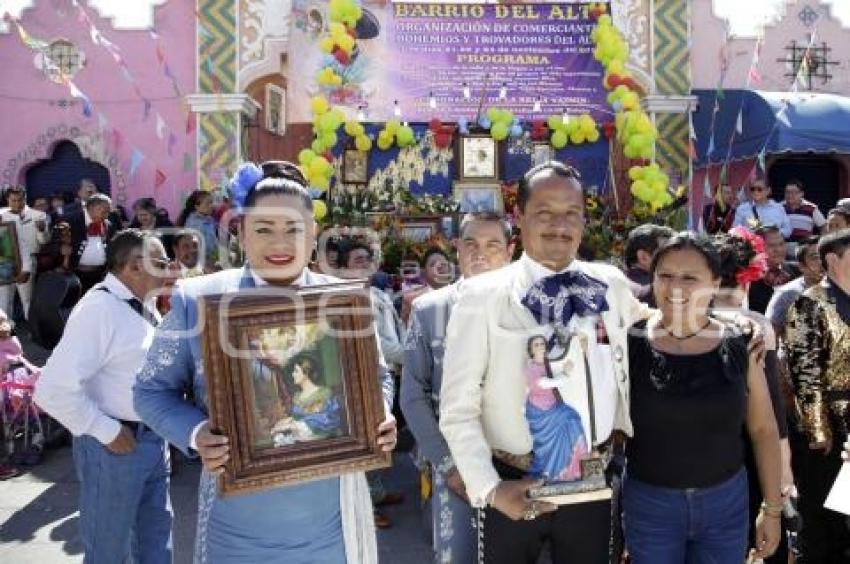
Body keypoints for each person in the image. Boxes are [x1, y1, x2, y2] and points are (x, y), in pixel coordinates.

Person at [133, 161, 396, 563]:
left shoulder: (345, 303)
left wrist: (379, 416)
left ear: (313, 236)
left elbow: (376, 376)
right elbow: (150, 391)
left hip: (331, 526)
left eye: (293, 230)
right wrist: (197, 432)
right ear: (240, 233)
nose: (279, 244)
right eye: (263, 229)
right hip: (235, 530)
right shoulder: (197, 300)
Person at [439, 162, 652, 564]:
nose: (559, 224)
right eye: (545, 212)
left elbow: (661, 323)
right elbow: (457, 408)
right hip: (513, 484)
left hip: (594, 483)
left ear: (584, 221)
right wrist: (489, 488)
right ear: (519, 218)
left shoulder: (611, 283)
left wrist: (739, 321)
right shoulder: (480, 296)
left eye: (571, 212)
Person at [623, 233, 782, 563]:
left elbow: (764, 430)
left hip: (725, 505)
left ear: (714, 282)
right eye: (665, 275)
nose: (675, 287)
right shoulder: (629, 342)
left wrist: (773, 509)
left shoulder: (741, 342)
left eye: (690, 278)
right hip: (650, 505)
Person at [33, 230, 174, 564]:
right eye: (162, 262)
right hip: (116, 448)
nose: (169, 270)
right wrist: (105, 430)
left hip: (153, 442)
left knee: (156, 547)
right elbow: (51, 389)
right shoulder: (99, 309)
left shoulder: (143, 305)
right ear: (136, 266)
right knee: (108, 553)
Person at [400, 212, 514, 563]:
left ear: (510, 250)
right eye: (471, 244)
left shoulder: (530, 306)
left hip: (518, 465)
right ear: (457, 249)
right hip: (456, 465)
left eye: (492, 245)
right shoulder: (429, 310)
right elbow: (413, 395)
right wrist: (447, 465)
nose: (480, 253)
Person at [711, 228, 794, 564]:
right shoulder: (755, 323)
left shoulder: (683, 320)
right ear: (749, 277)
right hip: (754, 441)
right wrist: (784, 470)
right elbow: (773, 405)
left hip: (706, 448)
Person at [785, 228, 850, 563]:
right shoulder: (810, 303)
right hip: (830, 427)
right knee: (826, 513)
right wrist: (818, 428)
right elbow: (804, 371)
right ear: (832, 260)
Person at [0, 186, 50, 320]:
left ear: (25, 199)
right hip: (5, 263)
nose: (17, 203)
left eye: (20, 200)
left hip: (28, 261)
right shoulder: (1, 215)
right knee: (4, 301)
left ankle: (33, 333)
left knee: (27, 300)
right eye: (13, 200)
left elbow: (44, 241)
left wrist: (42, 230)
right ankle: (6, 336)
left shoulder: (39, 215)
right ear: (7, 200)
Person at [270, 354, 343, 443]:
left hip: (320, 439)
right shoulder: (297, 396)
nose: (293, 374)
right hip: (300, 437)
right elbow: (298, 417)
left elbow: (328, 421)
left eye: (296, 371)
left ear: (306, 373)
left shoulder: (324, 393)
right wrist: (285, 422)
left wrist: (293, 426)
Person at [765, 237, 823, 336]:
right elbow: (770, 336)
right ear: (801, 266)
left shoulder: (842, 288)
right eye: (815, 257)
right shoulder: (787, 294)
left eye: (825, 255)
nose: (822, 262)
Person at [63, 193, 118, 295]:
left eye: (108, 212)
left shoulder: (107, 224)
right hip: (75, 275)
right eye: (104, 211)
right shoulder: (70, 220)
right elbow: (54, 243)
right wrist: (62, 250)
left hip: (99, 275)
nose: (106, 216)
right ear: (92, 207)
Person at [748, 226, 799, 314]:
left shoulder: (798, 270)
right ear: (757, 247)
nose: (778, 250)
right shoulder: (749, 279)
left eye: (781, 244)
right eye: (771, 245)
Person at [400, 248, 453, 324]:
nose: (439, 267)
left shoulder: (462, 295)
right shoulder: (412, 300)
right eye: (432, 264)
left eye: (443, 264)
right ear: (424, 272)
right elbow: (405, 330)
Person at [176, 190, 218, 267]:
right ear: (196, 206)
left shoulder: (208, 220)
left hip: (211, 263)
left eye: (211, 202)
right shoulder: (194, 225)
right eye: (208, 203)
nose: (212, 205)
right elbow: (198, 250)